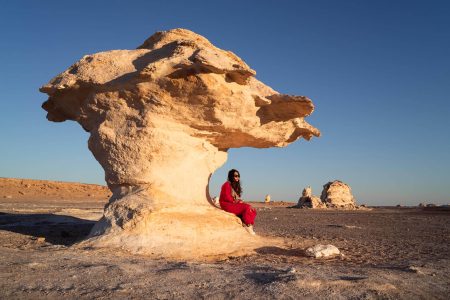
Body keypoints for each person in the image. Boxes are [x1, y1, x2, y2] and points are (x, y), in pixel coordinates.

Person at [219, 169, 257, 235]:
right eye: (236, 176)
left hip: (232, 203)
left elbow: (236, 198)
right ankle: (247, 225)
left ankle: (250, 225)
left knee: (253, 209)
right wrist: (237, 201)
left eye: (238, 176)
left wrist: (239, 201)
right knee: (246, 207)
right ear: (231, 176)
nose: (237, 177)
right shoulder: (226, 184)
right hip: (226, 204)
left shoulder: (235, 186)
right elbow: (227, 197)